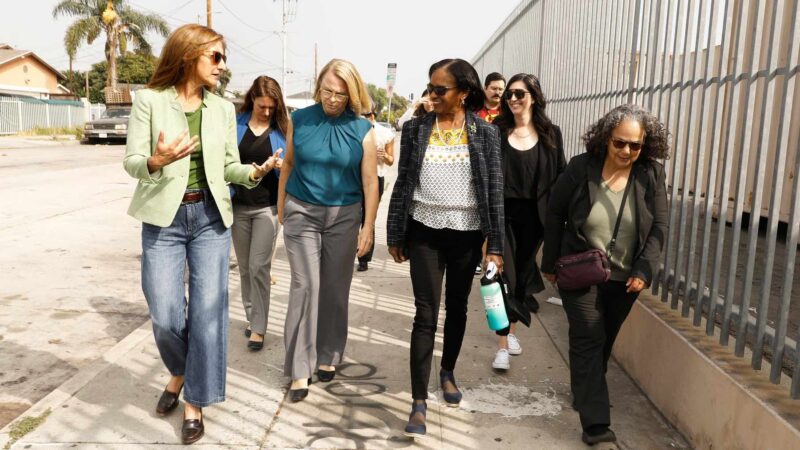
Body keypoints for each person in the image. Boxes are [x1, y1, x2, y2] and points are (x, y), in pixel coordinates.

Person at [123, 24, 272, 445]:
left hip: (209, 218)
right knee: (167, 314)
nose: (223, 66)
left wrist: (253, 172)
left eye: (224, 58)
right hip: (163, 220)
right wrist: (156, 159)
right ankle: (181, 371)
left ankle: (194, 402)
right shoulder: (150, 101)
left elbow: (228, 167)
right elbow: (132, 161)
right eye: (216, 57)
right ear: (189, 55)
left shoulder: (222, 109)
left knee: (207, 317)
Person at [387, 58, 504, 438]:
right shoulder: (418, 128)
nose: (432, 95)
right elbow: (403, 182)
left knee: (457, 307)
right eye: (430, 88)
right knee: (425, 312)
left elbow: (495, 192)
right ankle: (418, 400)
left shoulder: (485, 134)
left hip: (467, 234)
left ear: (463, 93)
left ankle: (448, 371)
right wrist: (395, 234)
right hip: (424, 231)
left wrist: (495, 247)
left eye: (440, 90)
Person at [541, 104, 669, 445]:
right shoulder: (581, 167)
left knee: (603, 342)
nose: (626, 151)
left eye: (635, 145)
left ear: (645, 145)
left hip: (626, 278)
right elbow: (555, 212)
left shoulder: (651, 174)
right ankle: (597, 426)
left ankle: (584, 390)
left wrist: (645, 268)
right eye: (619, 143)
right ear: (605, 139)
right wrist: (550, 261)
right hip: (581, 268)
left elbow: (660, 225)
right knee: (588, 337)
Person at [277, 59, 379, 403]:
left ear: (352, 93)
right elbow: (288, 163)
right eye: (327, 91)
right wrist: (281, 207)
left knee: (335, 290)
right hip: (302, 211)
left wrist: (369, 226)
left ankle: (329, 354)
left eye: (340, 93)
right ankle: (299, 369)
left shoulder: (363, 129)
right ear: (318, 86)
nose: (332, 99)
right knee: (306, 285)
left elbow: (369, 182)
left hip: (345, 216)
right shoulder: (300, 119)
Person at [489, 73, 565, 371]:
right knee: (499, 280)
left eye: (519, 94)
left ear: (534, 96)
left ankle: (511, 330)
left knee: (520, 279)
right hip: (502, 216)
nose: (512, 99)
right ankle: (503, 345)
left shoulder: (551, 133)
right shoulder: (497, 130)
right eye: (509, 95)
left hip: (535, 219)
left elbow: (560, 176)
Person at [232, 75, 289, 351]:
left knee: (258, 267)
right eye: (262, 106)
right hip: (238, 206)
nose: (267, 112)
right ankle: (252, 317)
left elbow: (294, 167)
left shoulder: (283, 129)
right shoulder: (235, 125)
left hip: (267, 207)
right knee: (244, 269)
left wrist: (281, 168)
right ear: (252, 99)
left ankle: (259, 327)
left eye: (271, 107)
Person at [473, 71, 506, 276]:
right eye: (494, 88)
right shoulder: (475, 112)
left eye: (501, 89)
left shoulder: (507, 113)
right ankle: (477, 257)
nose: (498, 92)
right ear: (485, 88)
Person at [357, 108, 395, 271]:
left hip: (376, 178)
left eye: (366, 115)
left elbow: (391, 160)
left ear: (372, 116)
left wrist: (384, 156)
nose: (363, 118)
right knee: (350, 217)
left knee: (368, 218)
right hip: (354, 178)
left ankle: (364, 259)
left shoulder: (386, 134)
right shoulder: (354, 129)